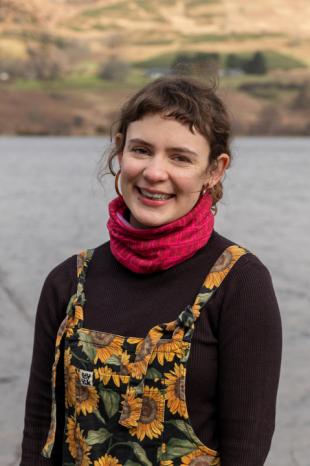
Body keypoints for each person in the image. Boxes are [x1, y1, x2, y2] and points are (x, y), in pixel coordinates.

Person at [20, 76, 282, 466]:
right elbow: (40, 435)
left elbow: (246, 449)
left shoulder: (240, 283)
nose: (155, 173)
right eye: (142, 150)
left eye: (180, 157)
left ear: (214, 170)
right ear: (119, 150)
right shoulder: (67, 282)